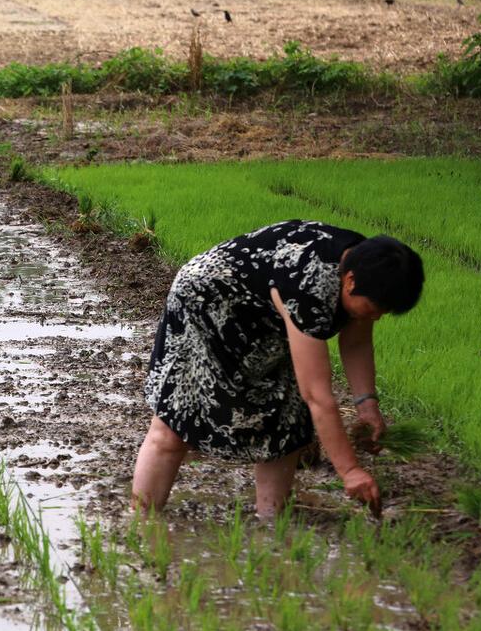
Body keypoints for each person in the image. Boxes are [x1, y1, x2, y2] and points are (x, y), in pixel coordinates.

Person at [131, 220, 424, 518]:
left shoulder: (366, 265)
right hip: (205, 308)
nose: (376, 318)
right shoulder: (310, 285)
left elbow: (357, 342)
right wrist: (349, 471)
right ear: (349, 281)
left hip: (265, 321)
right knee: (175, 425)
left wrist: (367, 405)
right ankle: (141, 523)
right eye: (375, 309)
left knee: (286, 420)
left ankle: (272, 525)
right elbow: (318, 396)